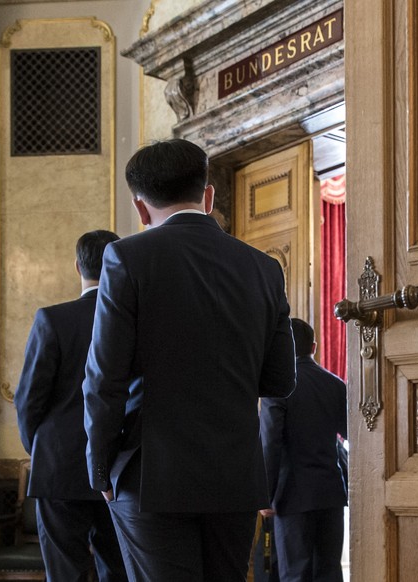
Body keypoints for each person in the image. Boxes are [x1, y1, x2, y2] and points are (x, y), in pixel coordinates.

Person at [82, 138, 296, 581]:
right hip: (234, 476)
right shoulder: (265, 268)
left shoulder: (125, 257)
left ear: (140, 209)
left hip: (150, 474)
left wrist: (100, 469)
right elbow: (279, 380)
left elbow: (105, 378)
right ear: (209, 196)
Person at [15, 229, 127, 582]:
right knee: (121, 567)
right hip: (120, 464)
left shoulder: (53, 319)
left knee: (65, 571)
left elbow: (28, 398)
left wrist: (41, 447)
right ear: (116, 265)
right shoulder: (134, 322)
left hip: (59, 464)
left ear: (77, 267)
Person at [259, 318, 348, 582]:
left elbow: (270, 442)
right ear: (314, 346)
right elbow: (352, 436)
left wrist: (265, 494)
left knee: (296, 574)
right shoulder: (335, 384)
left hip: (293, 496)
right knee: (330, 573)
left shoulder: (278, 388)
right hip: (331, 493)